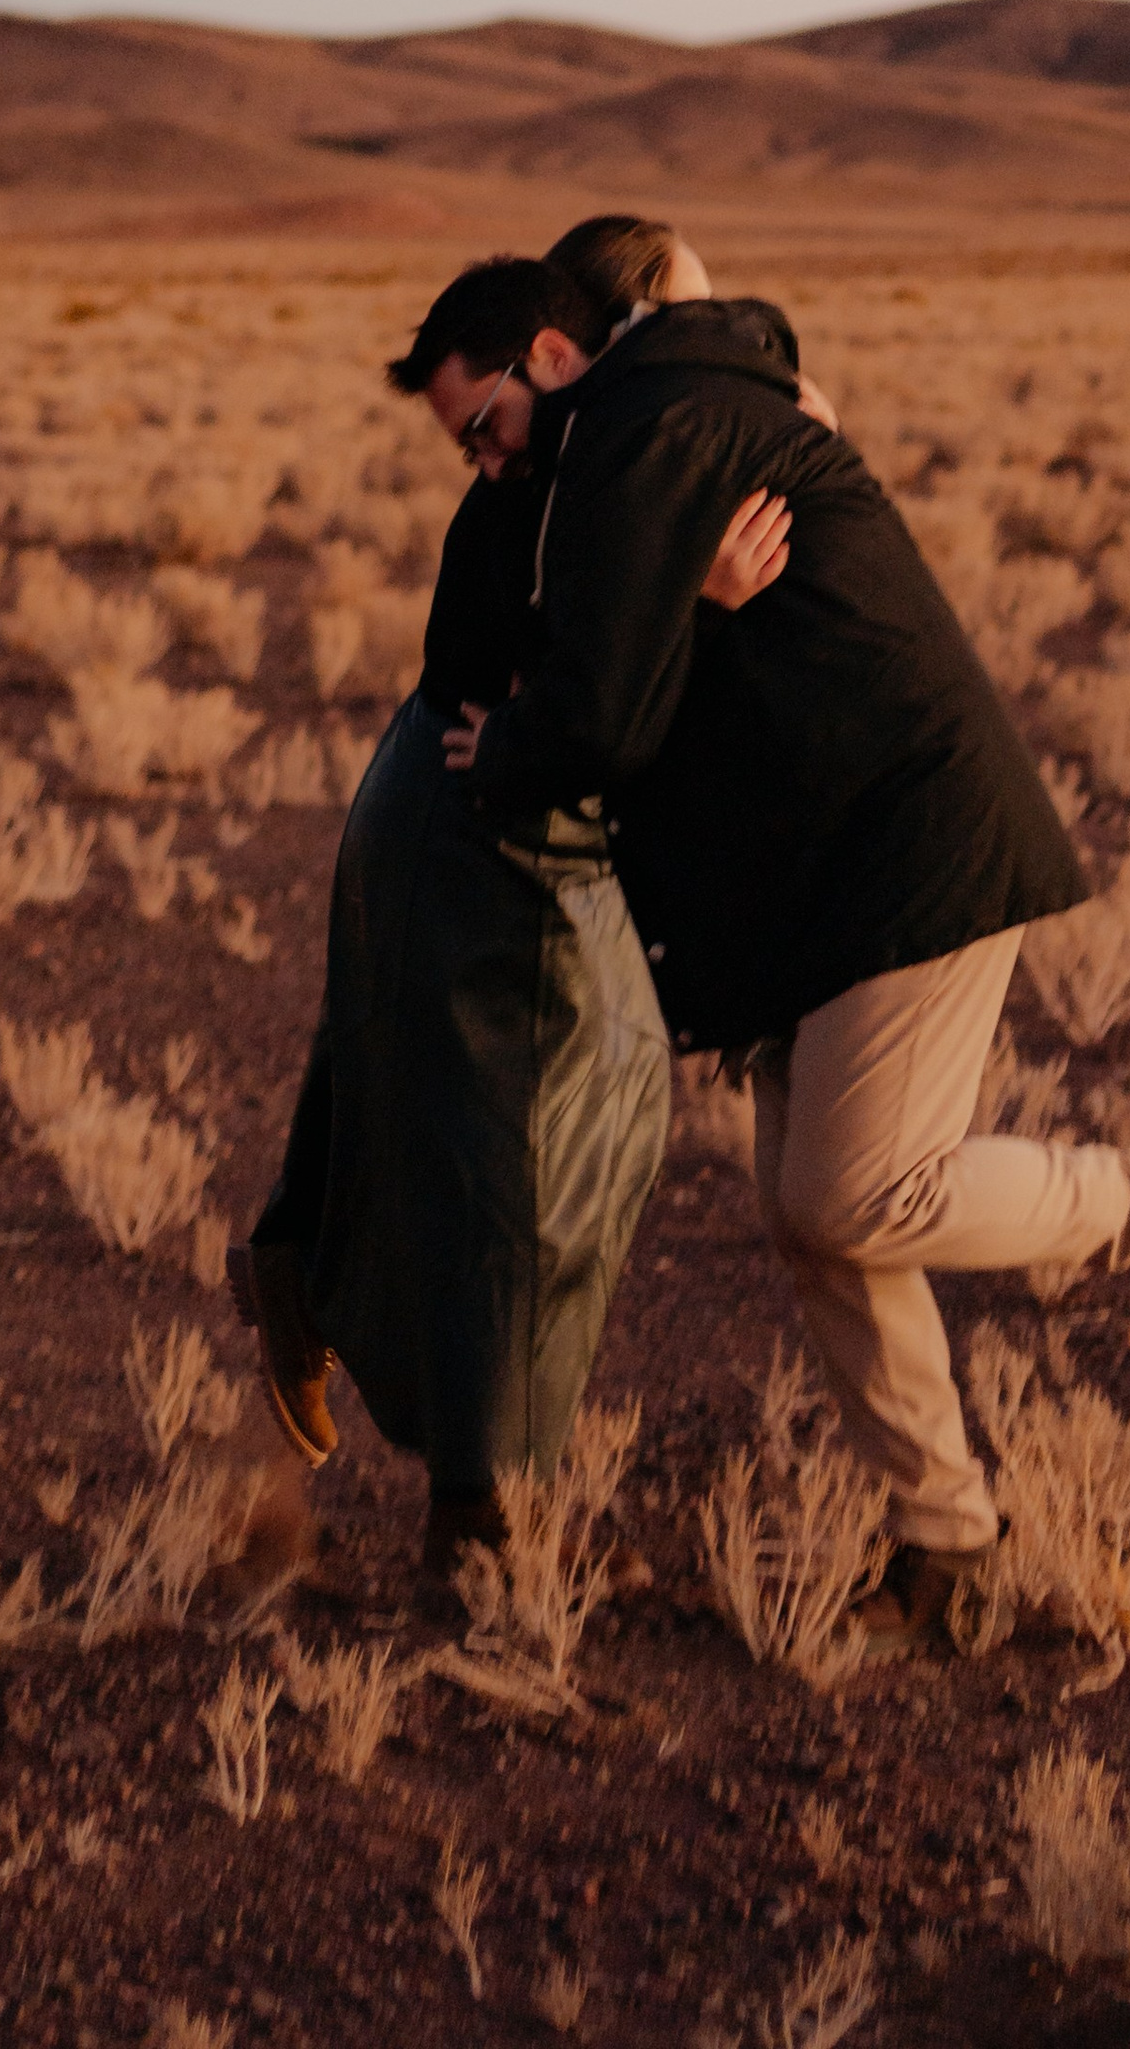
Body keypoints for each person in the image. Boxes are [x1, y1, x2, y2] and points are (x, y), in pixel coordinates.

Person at [392, 259, 1130, 1655]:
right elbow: (534, 648)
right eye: (465, 450)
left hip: (906, 846)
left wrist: (517, 742)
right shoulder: (622, 445)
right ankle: (948, 1543)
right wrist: (659, 612)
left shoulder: (655, 428)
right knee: (816, 1217)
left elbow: (596, 709)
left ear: (551, 354)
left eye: (485, 426)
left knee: (862, 1194)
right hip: (817, 876)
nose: (486, 464)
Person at [229, 221, 795, 1587]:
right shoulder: (582, 468)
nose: (484, 457)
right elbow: (597, 693)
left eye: (484, 426)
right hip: (483, 818)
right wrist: (705, 600)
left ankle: (305, 1279)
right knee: (532, 1156)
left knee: (430, 1088)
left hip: (431, 796)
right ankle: (482, 1520)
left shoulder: (591, 449)